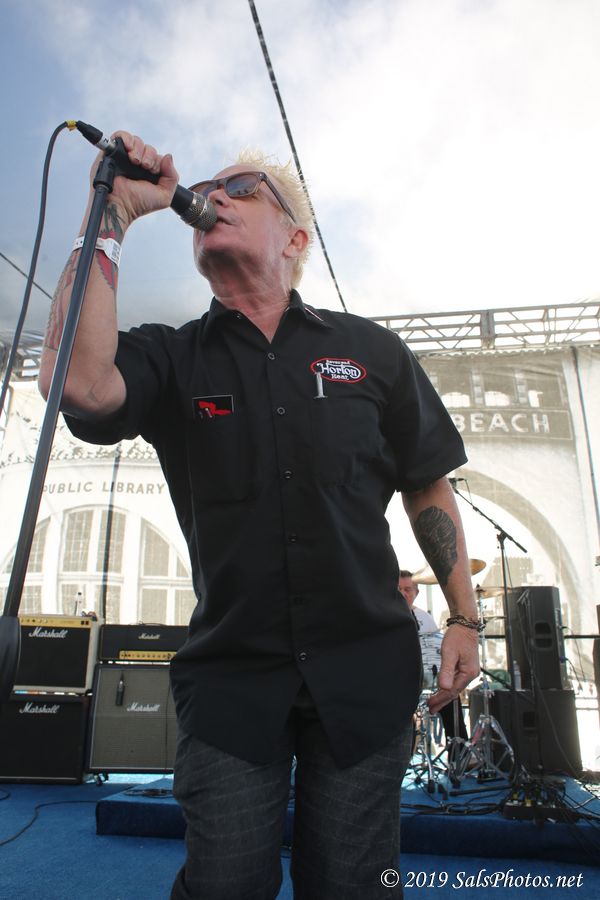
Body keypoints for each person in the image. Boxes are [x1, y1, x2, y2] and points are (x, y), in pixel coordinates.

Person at [39, 131, 480, 900]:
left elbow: (427, 483)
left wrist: (465, 618)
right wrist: (112, 211)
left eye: (242, 188)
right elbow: (76, 383)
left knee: (352, 886)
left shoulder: (371, 352)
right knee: (224, 885)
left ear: (295, 239)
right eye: (210, 188)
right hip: (231, 680)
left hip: (364, 672)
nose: (215, 195)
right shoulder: (173, 356)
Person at [398, 570, 469, 742]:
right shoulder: (385, 616)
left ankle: (459, 749)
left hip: (427, 679)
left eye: (407, 589)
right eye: (399, 589)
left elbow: (437, 650)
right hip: (399, 680)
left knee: (450, 695)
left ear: (416, 592)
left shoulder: (426, 618)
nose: (403, 593)